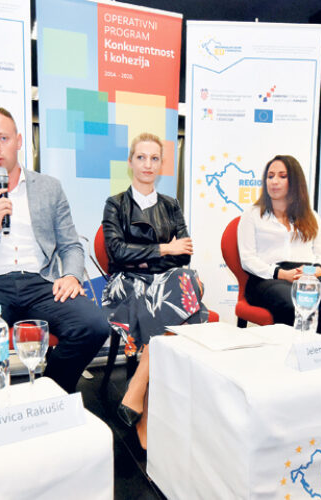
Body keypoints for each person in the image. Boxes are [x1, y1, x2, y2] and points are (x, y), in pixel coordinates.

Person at [0, 105, 108, 394]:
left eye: (3, 138)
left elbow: (70, 245)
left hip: (40, 282)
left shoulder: (49, 187)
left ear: (18, 141)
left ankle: (49, 393)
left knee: (94, 326)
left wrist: (71, 276)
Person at [101, 132, 208, 449]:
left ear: (161, 165)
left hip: (165, 281)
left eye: (154, 158)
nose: (148, 164)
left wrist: (146, 256)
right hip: (127, 284)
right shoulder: (115, 204)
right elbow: (116, 252)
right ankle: (146, 408)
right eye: (141, 157)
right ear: (131, 162)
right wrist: (164, 248)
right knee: (184, 296)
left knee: (184, 279)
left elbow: (184, 255)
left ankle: (138, 386)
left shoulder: (171, 205)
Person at [237, 154, 321, 337]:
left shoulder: (310, 215)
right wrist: (282, 273)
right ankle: (295, 352)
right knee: (293, 302)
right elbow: (248, 259)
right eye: (270, 176)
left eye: (282, 176)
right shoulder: (252, 214)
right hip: (269, 278)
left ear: (295, 182)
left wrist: (315, 272)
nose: (274, 181)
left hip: (309, 274)